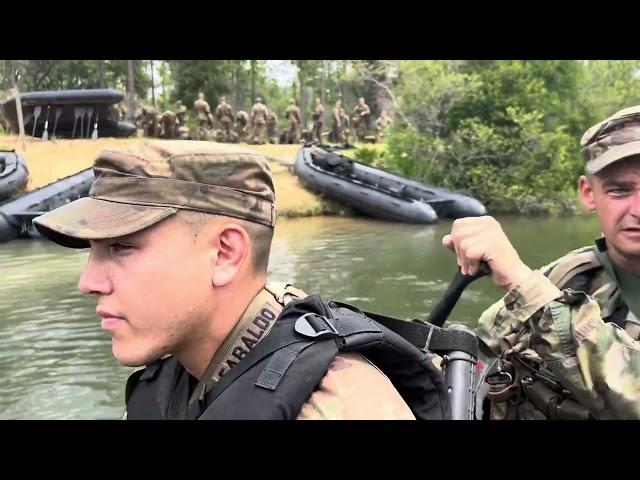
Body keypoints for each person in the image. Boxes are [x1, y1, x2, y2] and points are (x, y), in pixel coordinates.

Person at [32, 140, 447, 420]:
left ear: (225, 254)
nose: (88, 282)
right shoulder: (179, 370)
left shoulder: (338, 406)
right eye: (92, 251)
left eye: (121, 248)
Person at [443, 105, 640, 420]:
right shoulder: (569, 276)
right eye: (619, 190)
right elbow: (480, 352)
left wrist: (520, 282)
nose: (638, 209)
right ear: (588, 193)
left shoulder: (536, 289)